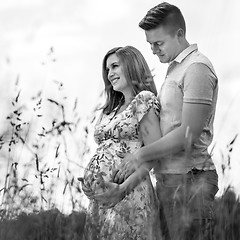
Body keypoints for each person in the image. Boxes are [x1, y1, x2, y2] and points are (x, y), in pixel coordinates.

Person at [112, 2, 219, 240]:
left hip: (191, 180)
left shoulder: (196, 68)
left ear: (179, 34)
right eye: (150, 44)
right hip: (169, 181)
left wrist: (140, 155)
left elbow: (187, 134)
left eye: (158, 43)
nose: (153, 50)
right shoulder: (175, 69)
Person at [81, 45, 162, 240]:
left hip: (130, 192)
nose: (110, 74)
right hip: (102, 200)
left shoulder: (143, 101)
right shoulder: (109, 109)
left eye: (115, 66)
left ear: (131, 65)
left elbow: (155, 153)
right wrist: (91, 183)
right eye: (107, 69)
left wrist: (123, 188)